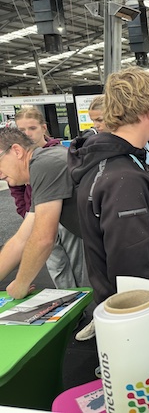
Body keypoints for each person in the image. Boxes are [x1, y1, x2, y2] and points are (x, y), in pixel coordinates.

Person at [68, 66, 149, 356]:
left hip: (130, 314)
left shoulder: (117, 163)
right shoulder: (122, 177)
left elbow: (146, 189)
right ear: (145, 111)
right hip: (141, 319)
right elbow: (131, 271)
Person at [0, 127, 88, 299]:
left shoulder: (44, 165)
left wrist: (20, 284)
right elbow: (22, 238)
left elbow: (43, 239)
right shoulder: (45, 163)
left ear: (17, 151)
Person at [10, 106, 62, 217]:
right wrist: (24, 210)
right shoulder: (18, 155)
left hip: (57, 213)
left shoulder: (57, 155)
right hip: (31, 212)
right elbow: (15, 186)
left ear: (43, 128)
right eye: (21, 130)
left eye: (32, 128)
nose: (27, 134)